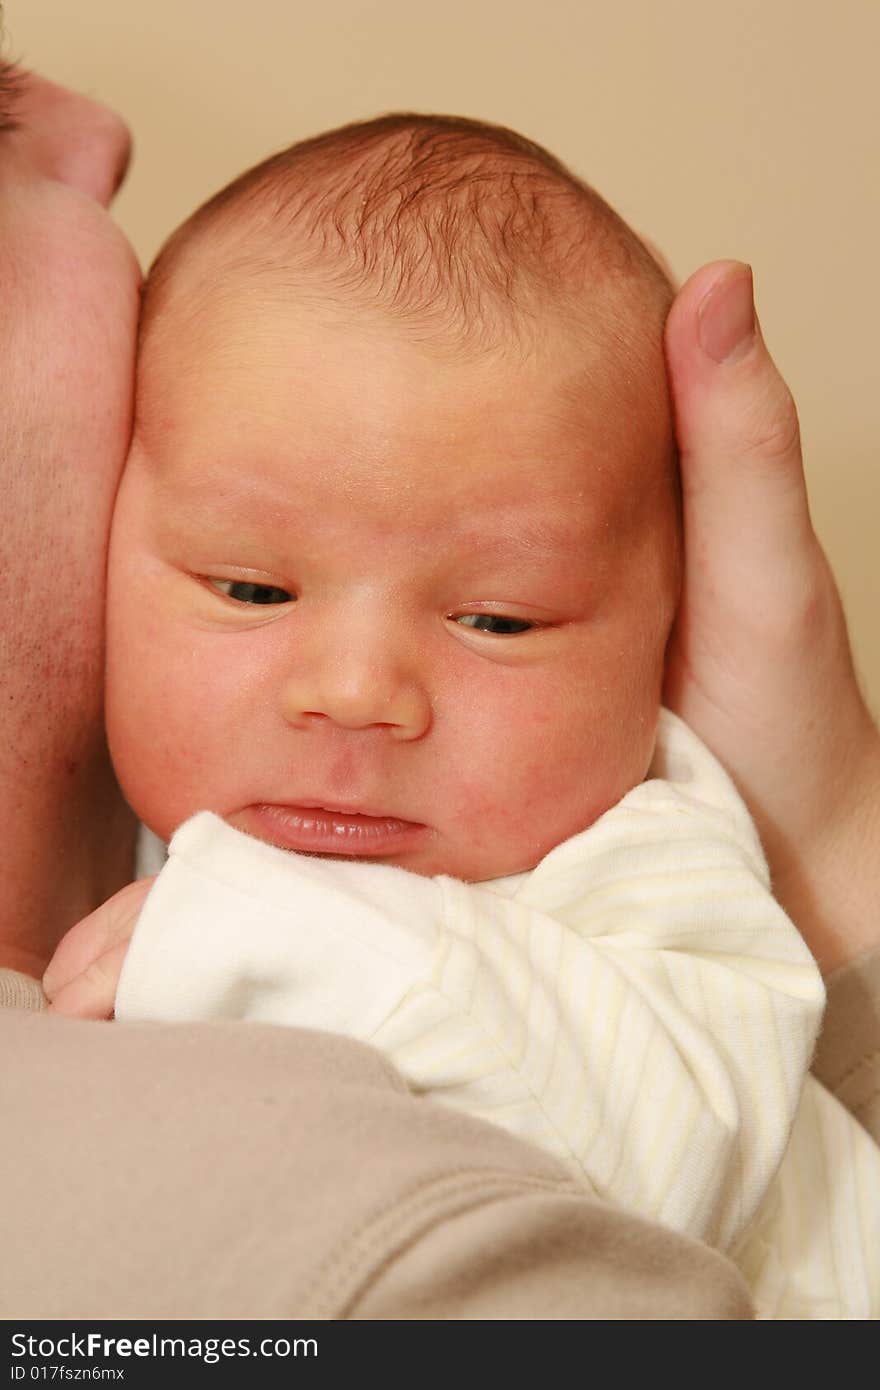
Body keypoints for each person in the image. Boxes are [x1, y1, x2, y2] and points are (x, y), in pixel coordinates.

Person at [0, 44, 877, 1320]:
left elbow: (673, 1146)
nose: (355, 691)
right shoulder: (162, 845)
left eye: (498, 617)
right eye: (249, 590)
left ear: (667, 633)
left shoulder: (652, 856)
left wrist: (266, 936)